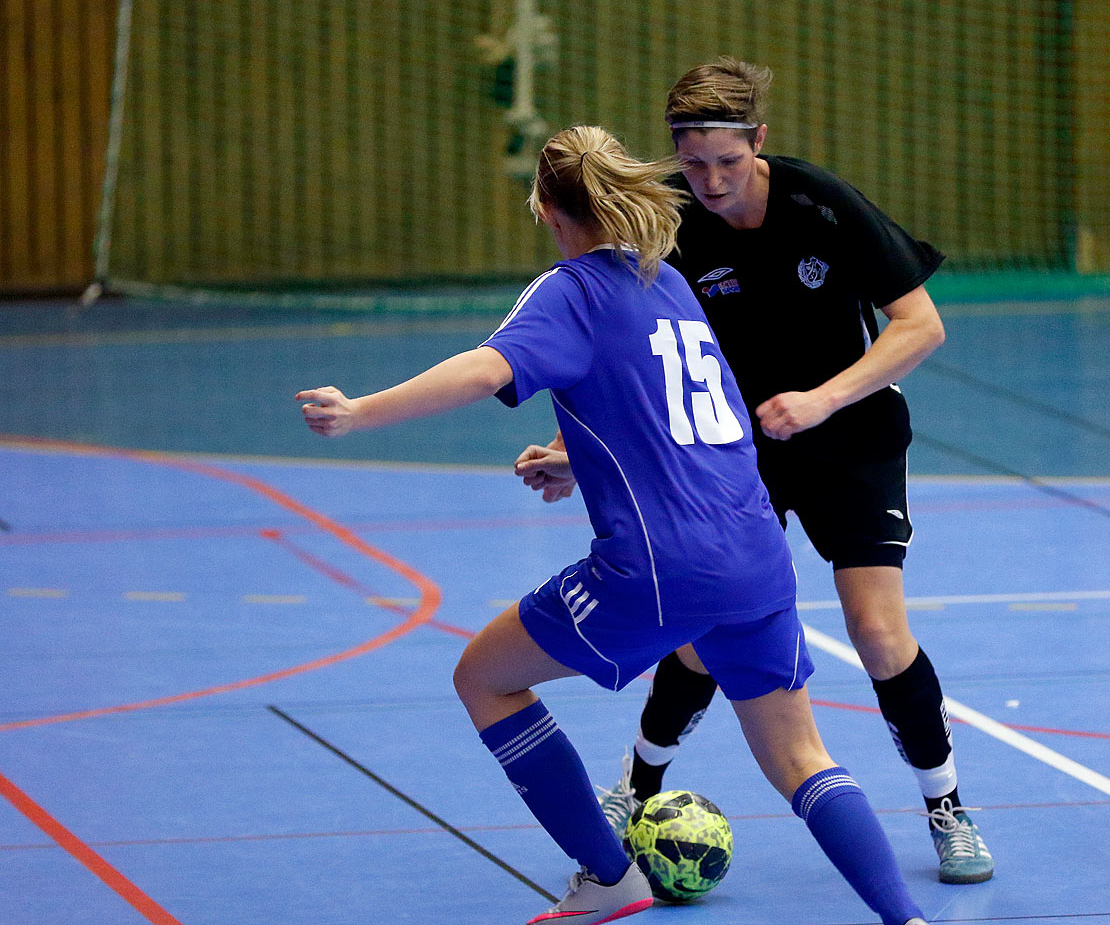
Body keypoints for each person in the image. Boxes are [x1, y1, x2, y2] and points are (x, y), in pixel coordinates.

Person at [297, 126, 930, 925]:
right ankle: (905, 918)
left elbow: (487, 369)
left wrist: (360, 412)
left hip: (663, 565)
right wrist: (578, 460)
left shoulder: (570, 289)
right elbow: (696, 415)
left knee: (483, 678)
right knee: (803, 759)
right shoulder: (666, 282)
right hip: (756, 552)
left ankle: (607, 876)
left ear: (547, 211)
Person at [521, 59, 992, 884]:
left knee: (879, 636)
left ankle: (947, 805)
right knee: (709, 635)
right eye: (692, 162)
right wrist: (575, 455)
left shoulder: (820, 204)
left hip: (851, 442)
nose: (707, 180)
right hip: (734, 452)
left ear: (759, 143)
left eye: (727, 163)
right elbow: (644, 361)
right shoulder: (668, 224)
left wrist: (821, 400)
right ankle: (634, 787)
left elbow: (920, 326)